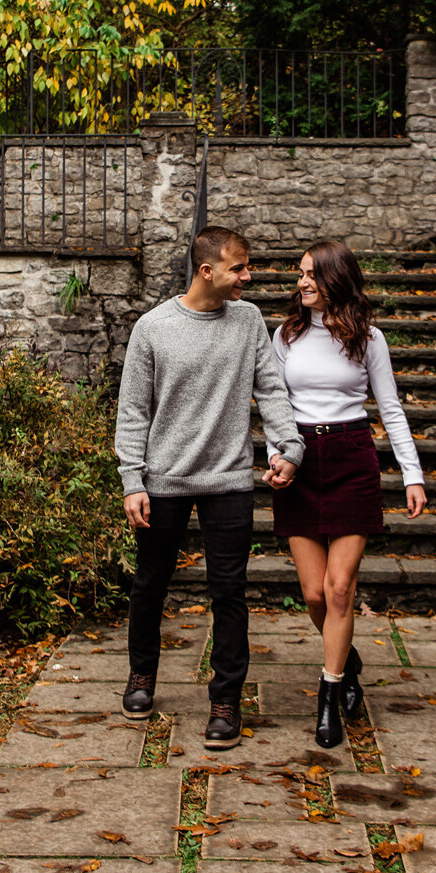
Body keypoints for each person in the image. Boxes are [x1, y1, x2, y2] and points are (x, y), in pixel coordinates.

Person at [116, 224, 304, 750]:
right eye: (240, 267)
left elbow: (270, 389)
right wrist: (133, 479)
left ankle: (225, 703)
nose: (250, 275)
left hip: (229, 480)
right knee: (150, 585)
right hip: (164, 479)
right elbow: (132, 411)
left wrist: (287, 446)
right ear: (208, 271)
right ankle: (142, 677)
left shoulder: (247, 322)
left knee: (230, 592)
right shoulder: (153, 328)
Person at [270, 239, 427, 748]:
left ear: (337, 278)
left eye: (312, 273)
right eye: (300, 273)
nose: (302, 282)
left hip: (352, 457)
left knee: (341, 589)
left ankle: (330, 694)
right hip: (300, 461)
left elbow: (392, 409)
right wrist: (280, 455)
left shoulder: (368, 339)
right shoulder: (286, 335)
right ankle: (349, 659)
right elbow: (275, 404)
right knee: (315, 594)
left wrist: (412, 474)